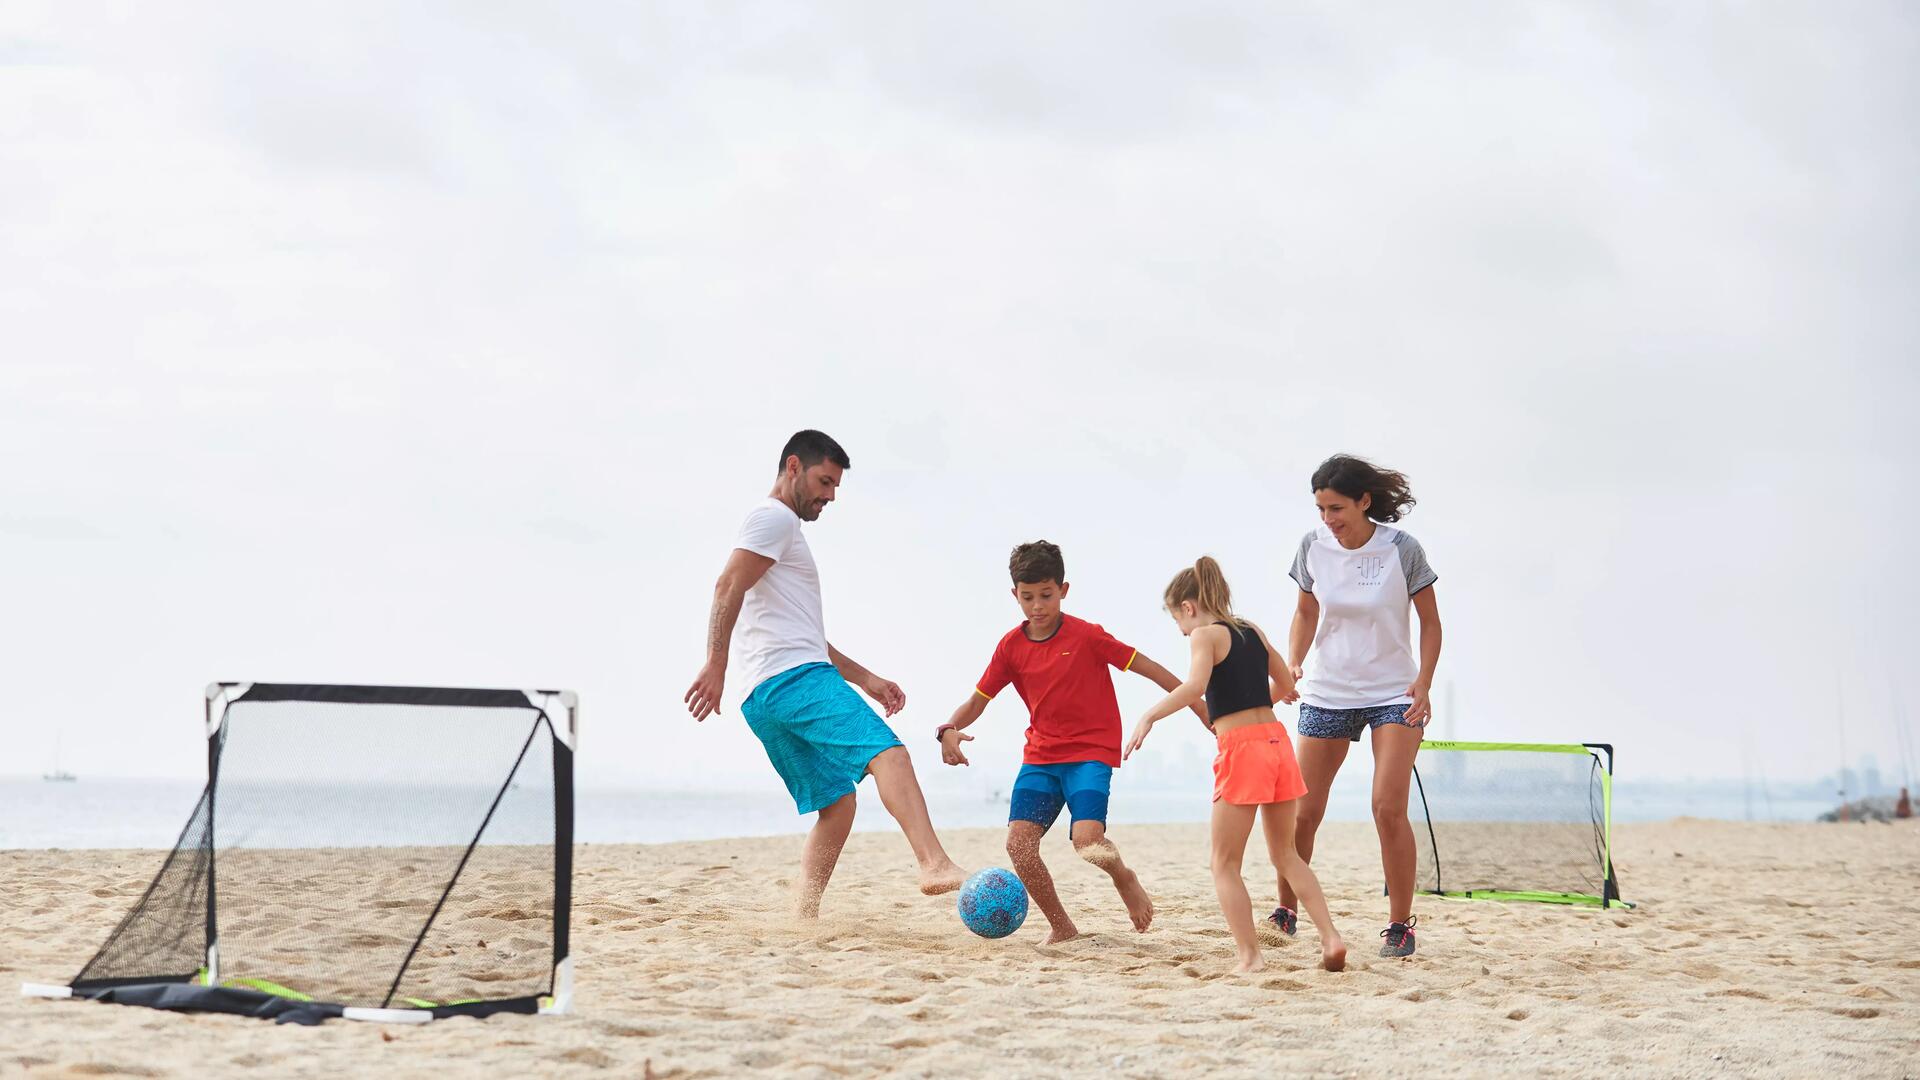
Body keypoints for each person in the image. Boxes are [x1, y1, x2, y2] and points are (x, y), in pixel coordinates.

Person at [684, 429, 966, 916]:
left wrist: (867, 679)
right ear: (793, 467)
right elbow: (727, 583)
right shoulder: (774, 518)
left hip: (764, 698)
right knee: (889, 753)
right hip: (794, 681)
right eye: (823, 481)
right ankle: (934, 863)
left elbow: (807, 639)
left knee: (837, 806)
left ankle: (802, 915)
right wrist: (715, 662)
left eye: (835, 486)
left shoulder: (780, 533)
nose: (830, 495)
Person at [937, 541, 1203, 943]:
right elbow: (979, 699)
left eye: (1046, 595)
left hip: (1090, 754)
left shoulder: (1087, 636)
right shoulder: (1011, 646)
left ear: (1064, 589)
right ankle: (1062, 927)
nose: (1037, 606)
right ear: (1015, 595)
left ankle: (1123, 877)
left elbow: (1148, 667)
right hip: (1040, 757)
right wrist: (949, 728)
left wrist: (1198, 706)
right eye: (1027, 598)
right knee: (1019, 846)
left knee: (1087, 841)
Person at [1126, 557, 1347, 973]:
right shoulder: (1253, 631)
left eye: (1179, 621)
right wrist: (1252, 697)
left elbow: (1194, 686)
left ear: (1188, 607)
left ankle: (1250, 957)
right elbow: (1285, 685)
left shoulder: (1205, 636)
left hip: (1243, 749)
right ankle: (1331, 938)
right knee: (1287, 856)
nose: (1182, 631)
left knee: (1224, 863)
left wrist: (1149, 716)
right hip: (1277, 743)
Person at [1272, 454, 1441, 958]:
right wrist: (1293, 663)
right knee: (1303, 811)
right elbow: (1305, 611)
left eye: (1337, 508)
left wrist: (1425, 683)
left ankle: (1399, 925)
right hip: (1329, 690)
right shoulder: (1312, 547)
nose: (1328, 519)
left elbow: (1431, 623)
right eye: (1321, 508)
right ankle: (1286, 911)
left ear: (1365, 502)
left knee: (1387, 807)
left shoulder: (1402, 549)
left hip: (1394, 692)